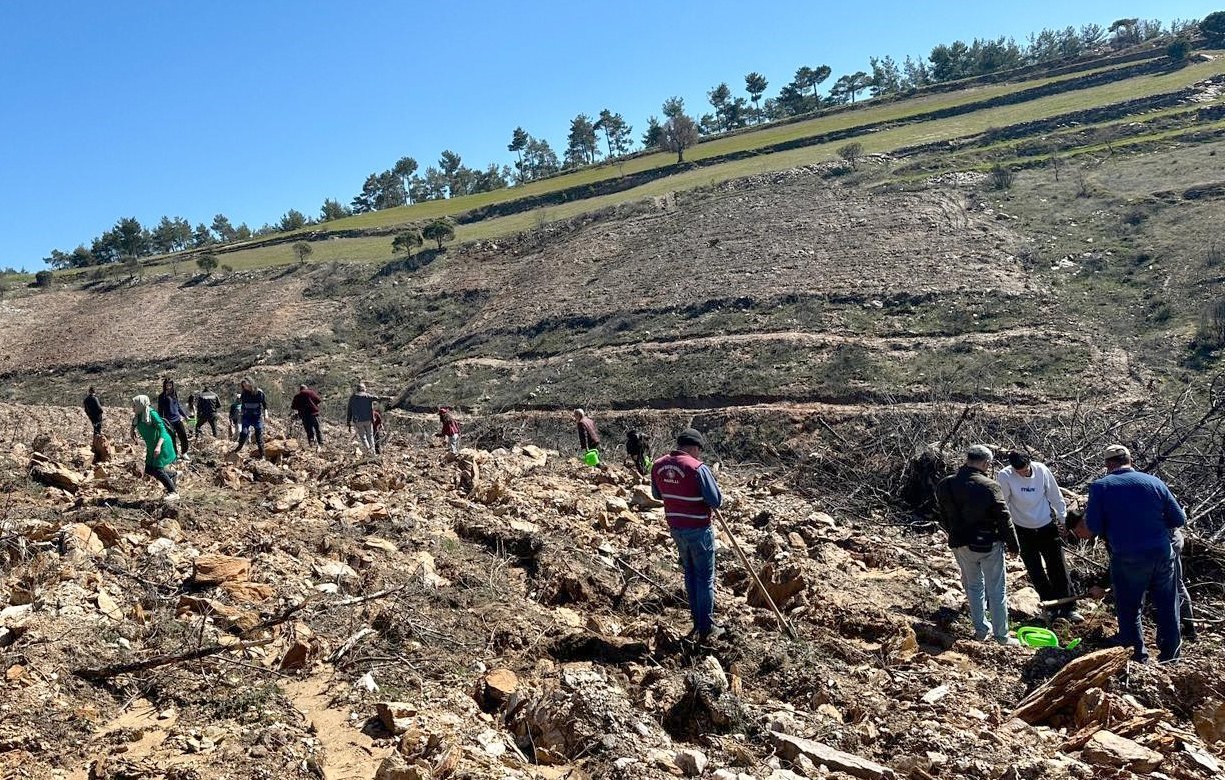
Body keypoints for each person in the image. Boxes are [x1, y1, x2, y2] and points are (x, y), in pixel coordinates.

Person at [1084, 444, 1185, 663]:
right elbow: (1178, 519)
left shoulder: (1101, 487)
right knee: (1168, 603)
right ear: (1130, 460)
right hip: (1161, 552)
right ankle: (1171, 656)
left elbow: (1093, 525)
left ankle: (1137, 656)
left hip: (1128, 556)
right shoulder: (1155, 482)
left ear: (1108, 464)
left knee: (1130, 607)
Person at [935, 445, 1022, 646]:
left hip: (960, 543)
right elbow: (1004, 517)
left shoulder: (945, 484)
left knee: (973, 586)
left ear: (967, 459)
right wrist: (1013, 545)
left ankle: (981, 631)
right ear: (985, 463)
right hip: (988, 544)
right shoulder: (989, 486)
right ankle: (1002, 636)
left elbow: (943, 513)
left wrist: (952, 533)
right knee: (997, 589)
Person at [651, 428, 724, 641]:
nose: (699, 454)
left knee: (690, 574)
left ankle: (697, 620)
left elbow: (657, 494)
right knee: (705, 578)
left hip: (676, 528)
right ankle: (706, 627)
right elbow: (716, 501)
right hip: (699, 529)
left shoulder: (658, 465)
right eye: (699, 450)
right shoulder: (697, 467)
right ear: (693, 447)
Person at [997, 451, 1080, 622]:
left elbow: (1055, 496)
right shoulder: (1005, 475)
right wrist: (1006, 530)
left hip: (1045, 525)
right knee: (1035, 569)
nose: (1023, 473)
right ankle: (1050, 607)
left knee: (1058, 566)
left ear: (1030, 463)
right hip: (1021, 528)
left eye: (1025, 470)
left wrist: (1062, 519)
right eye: (1018, 471)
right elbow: (1004, 503)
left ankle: (1068, 607)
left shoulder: (1041, 470)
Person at [129, 395, 179, 501]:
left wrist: (158, 446)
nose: (132, 407)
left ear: (141, 405)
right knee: (149, 469)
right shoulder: (139, 415)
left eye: (134, 405)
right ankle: (172, 474)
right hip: (152, 445)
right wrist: (132, 430)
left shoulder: (151, 413)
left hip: (161, 443)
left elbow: (162, 430)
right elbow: (135, 423)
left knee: (157, 468)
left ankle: (173, 492)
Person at [234, 377, 269, 458]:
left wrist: (266, 414)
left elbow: (265, 404)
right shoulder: (244, 393)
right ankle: (238, 448)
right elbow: (243, 405)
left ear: (251, 383)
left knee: (258, 436)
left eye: (247, 385)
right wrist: (241, 414)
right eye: (244, 386)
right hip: (246, 417)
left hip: (257, 417)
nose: (246, 387)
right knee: (244, 433)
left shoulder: (259, 392)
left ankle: (262, 455)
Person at [156, 379, 191, 460]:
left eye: (170, 384)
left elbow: (178, 406)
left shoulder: (174, 394)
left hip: (178, 419)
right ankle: (174, 455)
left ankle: (184, 453)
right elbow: (160, 409)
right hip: (168, 421)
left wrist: (185, 416)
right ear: (164, 385)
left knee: (183, 436)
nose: (168, 386)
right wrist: (161, 420)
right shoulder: (161, 396)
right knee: (172, 439)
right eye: (167, 384)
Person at [347, 383, 379, 455]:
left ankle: (368, 450)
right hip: (368, 420)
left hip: (358, 421)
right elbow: (377, 398)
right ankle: (373, 452)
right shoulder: (367, 396)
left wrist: (348, 422)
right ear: (364, 389)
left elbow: (349, 410)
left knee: (363, 437)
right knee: (370, 436)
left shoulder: (352, 398)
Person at [290, 384, 324, 449]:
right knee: (317, 428)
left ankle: (311, 444)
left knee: (309, 430)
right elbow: (318, 400)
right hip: (313, 414)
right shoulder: (311, 392)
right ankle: (321, 443)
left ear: (300, 389)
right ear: (306, 388)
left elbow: (293, 407)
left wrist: (300, 407)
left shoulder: (297, 396)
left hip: (304, 415)